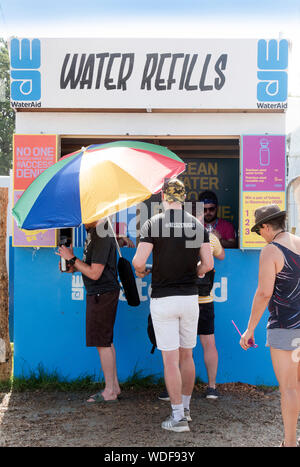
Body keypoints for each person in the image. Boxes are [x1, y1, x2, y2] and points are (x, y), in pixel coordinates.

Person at [132, 179, 213, 432]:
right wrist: (196, 272)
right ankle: (186, 410)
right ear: (184, 198)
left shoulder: (153, 223)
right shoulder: (196, 224)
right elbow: (208, 263)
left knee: (170, 361)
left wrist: (143, 271)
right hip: (190, 298)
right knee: (187, 355)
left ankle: (177, 417)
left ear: (164, 198)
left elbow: (137, 261)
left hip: (163, 298)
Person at [239, 204, 300, 447]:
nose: (260, 236)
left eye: (259, 231)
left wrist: (250, 328)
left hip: (286, 327)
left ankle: (289, 443)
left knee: (289, 389)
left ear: (266, 226)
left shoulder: (271, 251)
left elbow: (264, 293)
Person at [57, 220, 133, 403]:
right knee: (105, 341)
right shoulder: (95, 231)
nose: (81, 220)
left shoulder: (101, 232)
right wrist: (73, 266)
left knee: (102, 343)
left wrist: (72, 259)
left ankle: (109, 391)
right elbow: (91, 267)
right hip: (100, 292)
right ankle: (114, 387)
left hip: (102, 293)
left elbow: (95, 273)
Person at [159, 203, 225, 402]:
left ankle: (175, 390)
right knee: (208, 343)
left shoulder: (176, 237)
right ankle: (212, 387)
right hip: (204, 299)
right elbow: (221, 255)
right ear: (202, 218)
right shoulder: (210, 237)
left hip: (182, 297)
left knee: (178, 349)